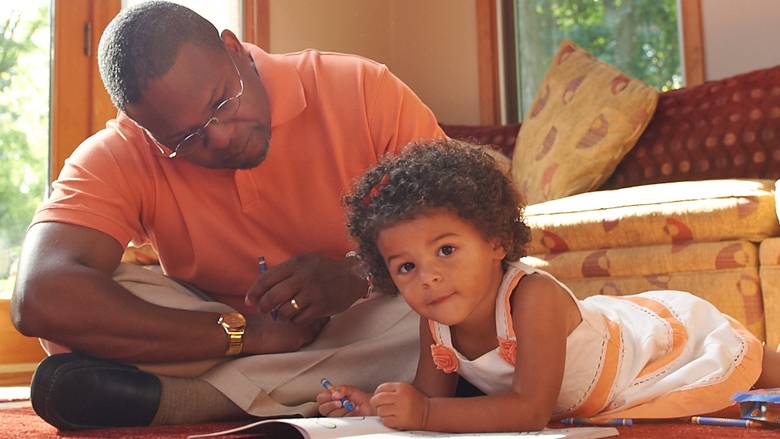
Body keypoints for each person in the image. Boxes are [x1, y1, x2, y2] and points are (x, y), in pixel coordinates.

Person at [10, 1, 446, 431]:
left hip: (363, 318)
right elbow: (38, 296)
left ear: (234, 49)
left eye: (221, 103)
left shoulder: (359, 88)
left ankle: (202, 399)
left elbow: (466, 224)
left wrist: (360, 274)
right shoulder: (125, 151)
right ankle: (293, 385)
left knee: (445, 302)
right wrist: (248, 333)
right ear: (143, 128)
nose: (220, 138)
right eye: (186, 138)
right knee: (78, 306)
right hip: (218, 334)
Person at [318, 138, 780, 433]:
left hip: (640, 352)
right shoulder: (435, 318)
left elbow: (529, 410)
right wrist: (374, 408)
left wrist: (422, 414)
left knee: (753, 364)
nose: (428, 277)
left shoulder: (531, 296)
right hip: (592, 389)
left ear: (496, 240)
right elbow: (430, 398)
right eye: (405, 268)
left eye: (445, 251)